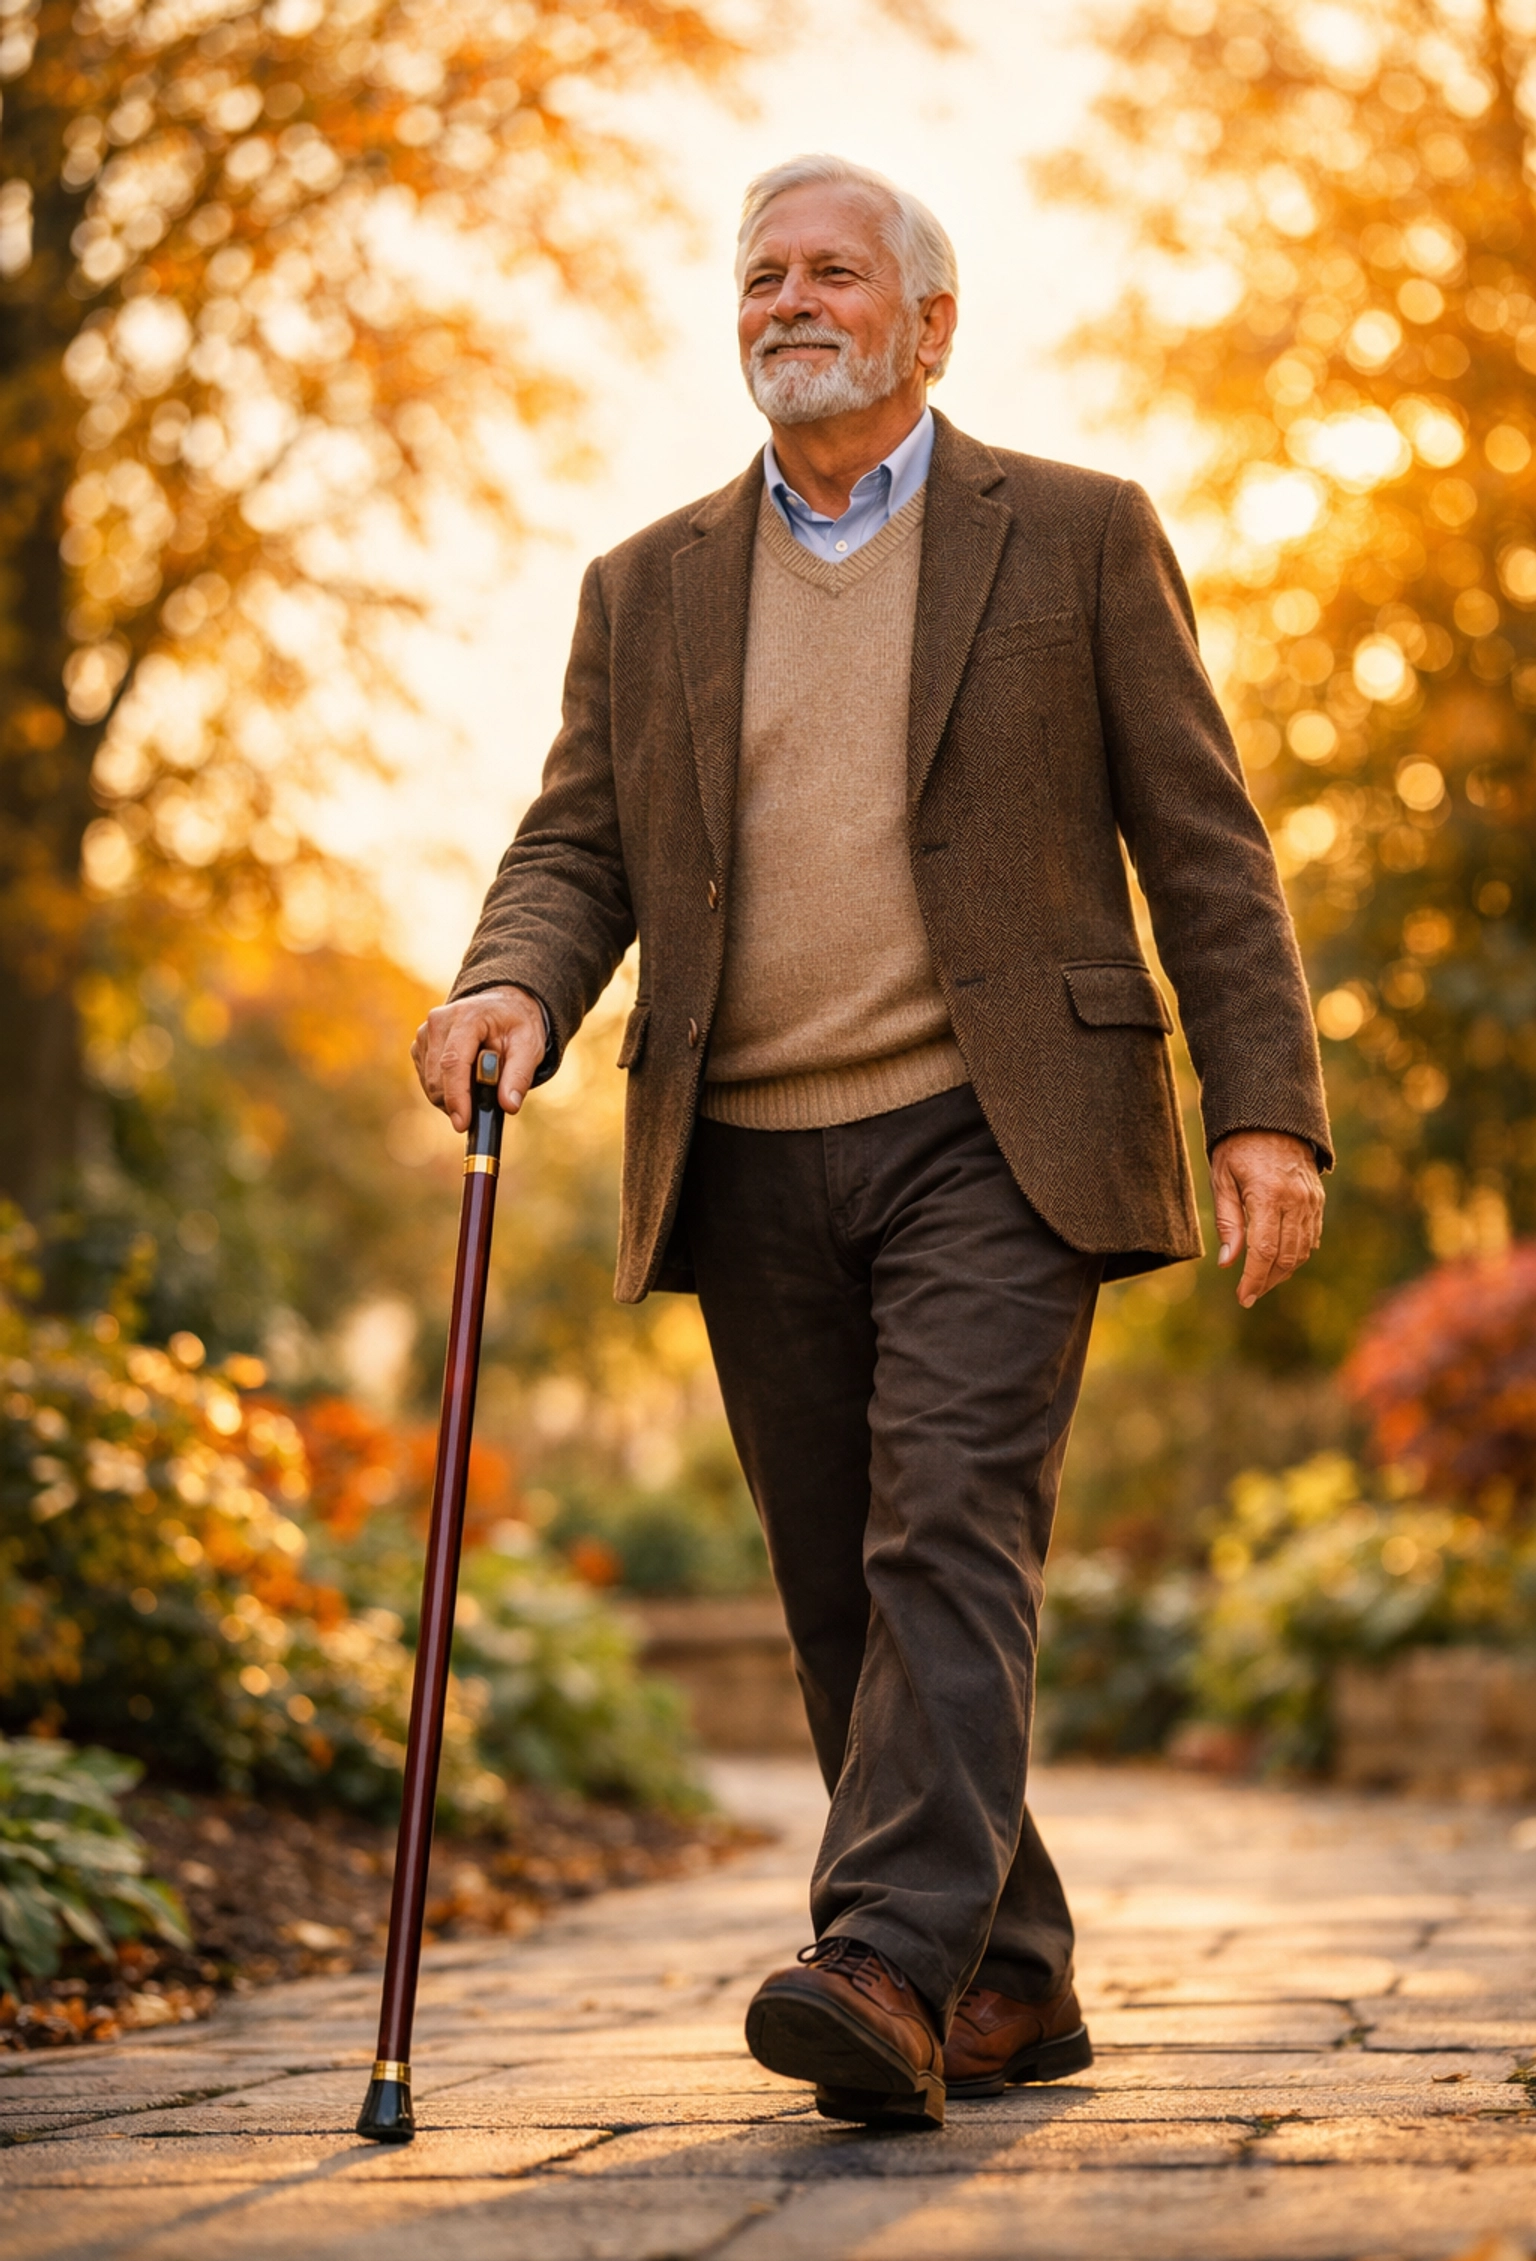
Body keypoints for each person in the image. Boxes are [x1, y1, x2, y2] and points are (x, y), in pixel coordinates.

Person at [412, 153, 1331, 2132]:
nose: (788, 300)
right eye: (760, 275)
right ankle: (1008, 1976)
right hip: (745, 1141)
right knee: (841, 1585)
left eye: (833, 271)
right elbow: (579, 843)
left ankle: (885, 1967)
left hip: (996, 1134)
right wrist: (509, 987)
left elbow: (1203, 838)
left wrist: (1266, 1104)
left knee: (946, 1534)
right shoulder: (646, 585)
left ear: (930, 323)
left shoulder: (1077, 535)